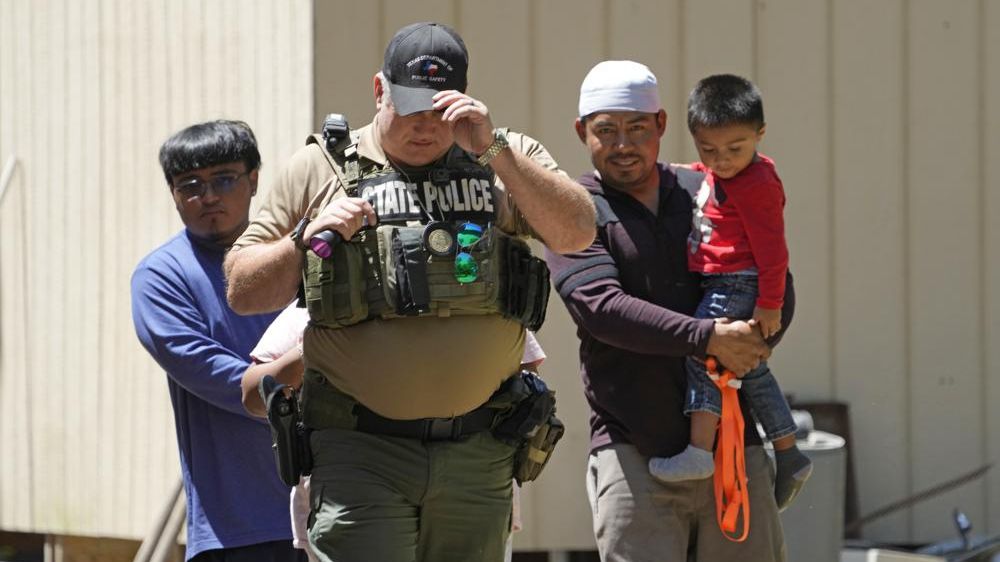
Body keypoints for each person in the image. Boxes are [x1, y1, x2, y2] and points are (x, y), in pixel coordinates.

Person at [223, 21, 595, 562]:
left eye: (439, 110)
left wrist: (494, 151)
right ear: (379, 90)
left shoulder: (501, 157)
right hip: (361, 450)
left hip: (480, 449)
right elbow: (242, 288)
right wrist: (307, 237)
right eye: (409, 107)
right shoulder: (321, 167)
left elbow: (577, 233)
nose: (425, 126)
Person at [544, 60, 796, 561]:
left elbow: (773, 278)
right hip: (634, 452)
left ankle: (787, 450)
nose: (623, 144)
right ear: (581, 132)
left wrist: (755, 336)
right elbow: (603, 309)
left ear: (661, 125)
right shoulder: (575, 207)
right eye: (606, 130)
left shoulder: (705, 186)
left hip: (733, 449)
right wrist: (710, 339)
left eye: (637, 128)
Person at [240, 303, 549, 562]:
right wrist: (316, 347)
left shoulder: (466, 283)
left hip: (471, 479)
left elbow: (526, 363)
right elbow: (253, 391)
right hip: (358, 481)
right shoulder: (326, 298)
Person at [131, 121, 304, 561]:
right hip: (240, 530)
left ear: (253, 180)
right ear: (173, 195)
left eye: (224, 179)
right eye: (190, 185)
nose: (208, 196)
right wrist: (321, 349)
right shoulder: (162, 278)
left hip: (335, 511)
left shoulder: (298, 258)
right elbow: (241, 389)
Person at [647, 73, 812, 508]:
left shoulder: (756, 184)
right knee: (747, 367)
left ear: (760, 134)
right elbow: (709, 175)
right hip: (724, 280)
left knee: (702, 347)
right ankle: (789, 452)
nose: (721, 161)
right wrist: (685, 169)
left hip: (739, 281)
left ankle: (699, 451)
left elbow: (774, 251)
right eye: (708, 150)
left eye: (735, 149)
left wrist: (770, 304)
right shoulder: (726, 173)